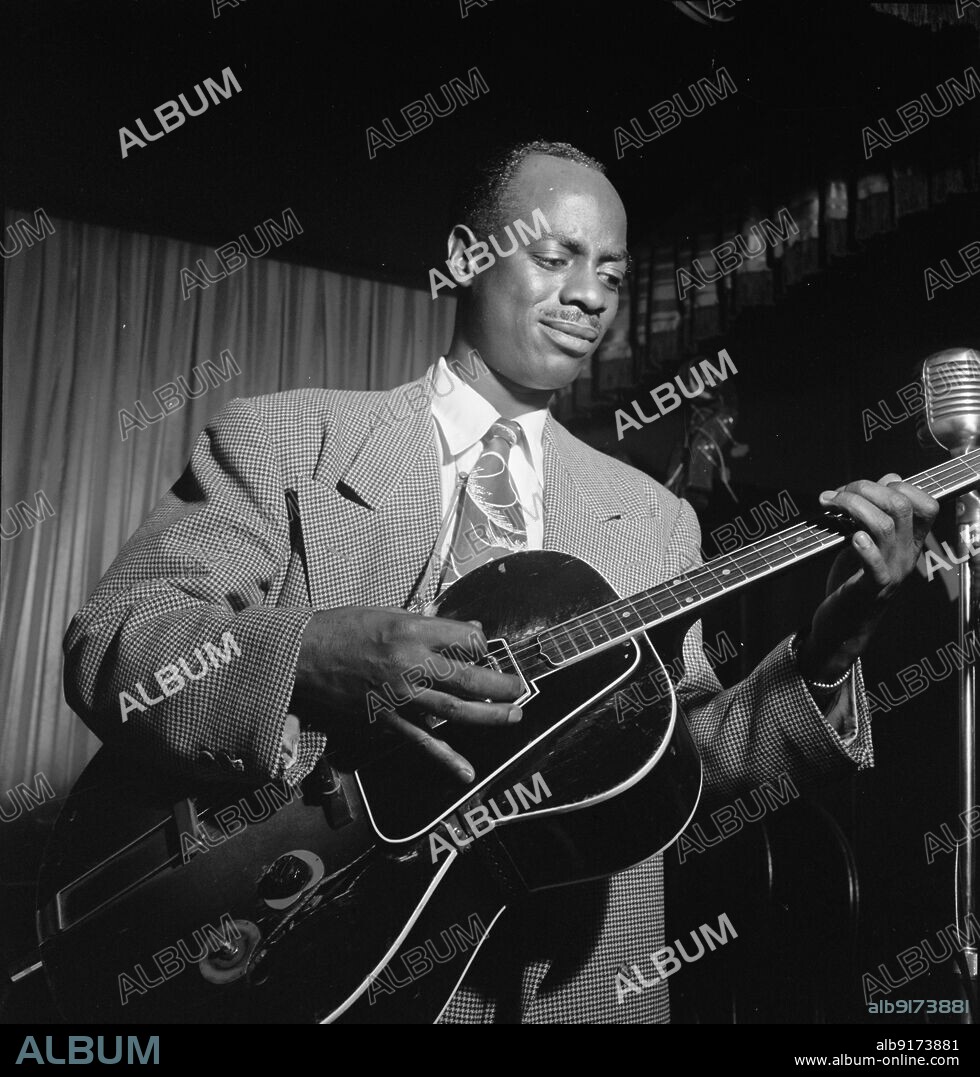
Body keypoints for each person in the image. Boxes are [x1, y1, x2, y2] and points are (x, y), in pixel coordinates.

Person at [63, 140, 939, 1023]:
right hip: (320, 964)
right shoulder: (286, 440)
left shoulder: (657, 518)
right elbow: (118, 637)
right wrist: (310, 655)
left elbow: (684, 762)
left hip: (579, 994)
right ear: (464, 257)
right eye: (556, 257)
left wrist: (832, 648)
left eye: (612, 275)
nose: (592, 295)